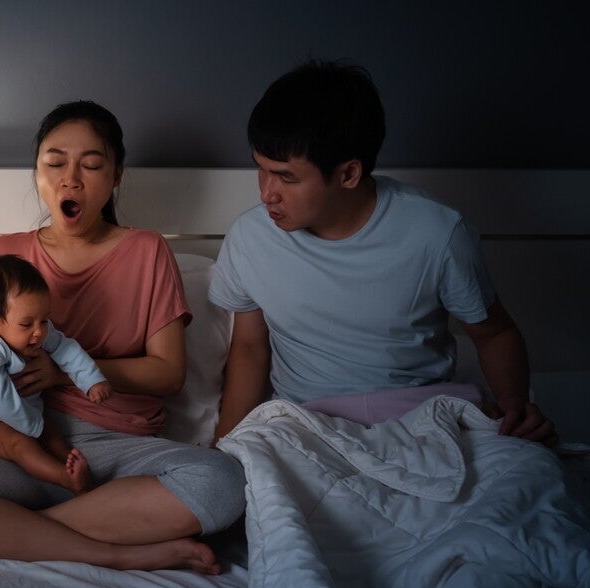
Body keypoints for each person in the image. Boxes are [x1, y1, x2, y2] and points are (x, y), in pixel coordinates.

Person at [0, 100, 246, 574]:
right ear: (38, 173)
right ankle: (113, 550)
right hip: (14, 442)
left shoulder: (148, 251)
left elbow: (168, 374)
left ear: (116, 175)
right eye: (55, 162)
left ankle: (6, 529)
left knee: (224, 482)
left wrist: (63, 372)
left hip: (116, 450)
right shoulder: (4, 254)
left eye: (91, 164)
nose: (72, 178)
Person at [208, 59, 555, 443]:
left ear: (349, 174)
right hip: (304, 422)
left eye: (287, 177)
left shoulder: (436, 233)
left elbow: (493, 332)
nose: (266, 193)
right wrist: (225, 445)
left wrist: (514, 406)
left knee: (529, 485)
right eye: (261, 169)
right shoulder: (250, 237)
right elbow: (251, 349)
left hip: (421, 419)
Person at [0, 253, 111, 495]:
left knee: (54, 435)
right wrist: (33, 425)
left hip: (26, 414)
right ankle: (64, 479)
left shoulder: (35, 332)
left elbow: (65, 348)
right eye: (27, 325)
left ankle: (76, 470)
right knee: (20, 444)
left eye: (44, 321)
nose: (39, 332)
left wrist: (91, 380)